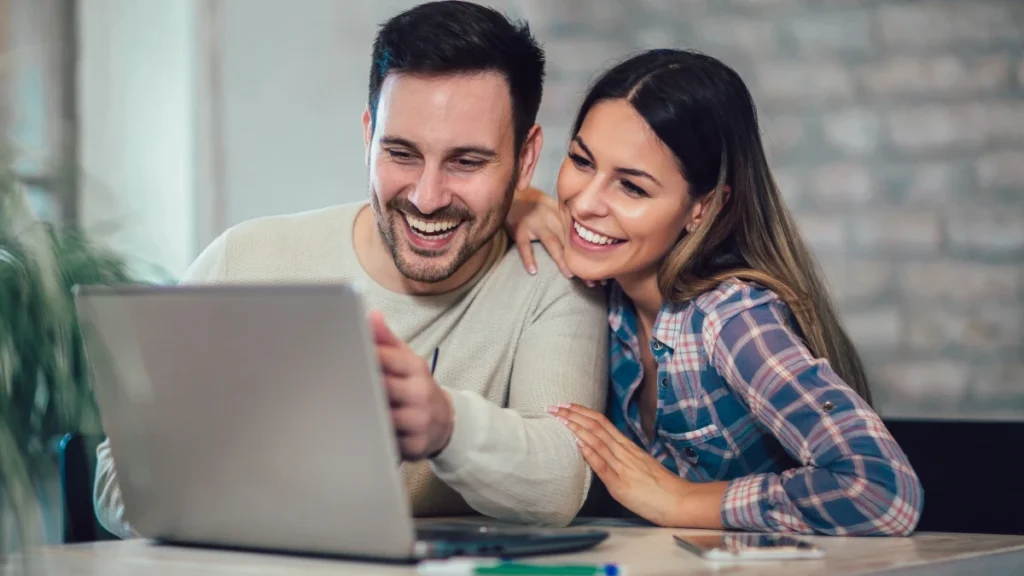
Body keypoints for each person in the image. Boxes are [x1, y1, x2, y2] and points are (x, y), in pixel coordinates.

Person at [93, 0, 609, 539]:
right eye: (402, 153)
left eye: (467, 162)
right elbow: (117, 481)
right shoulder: (245, 260)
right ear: (368, 137)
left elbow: (560, 482)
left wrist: (445, 426)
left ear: (525, 159)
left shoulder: (554, 277)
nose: (427, 198)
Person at [505, 49, 923, 536]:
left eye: (633, 188)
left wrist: (681, 500)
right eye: (581, 160)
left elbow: (883, 491)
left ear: (701, 209)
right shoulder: (609, 286)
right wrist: (519, 203)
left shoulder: (732, 320)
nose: (585, 201)